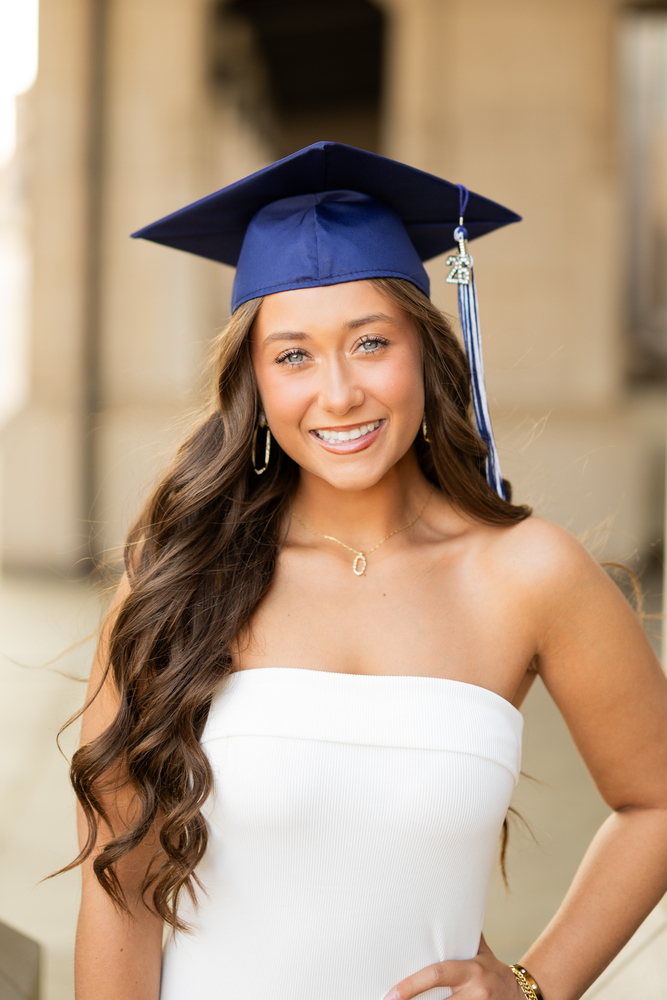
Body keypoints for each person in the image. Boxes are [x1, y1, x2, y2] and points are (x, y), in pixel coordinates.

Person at [70, 142, 667, 1000]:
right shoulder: (178, 581)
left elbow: (654, 799)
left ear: (424, 351)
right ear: (253, 382)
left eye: (370, 341)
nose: (339, 392)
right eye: (293, 355)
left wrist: (536, 985)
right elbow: (116, 882)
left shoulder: (526, 573)